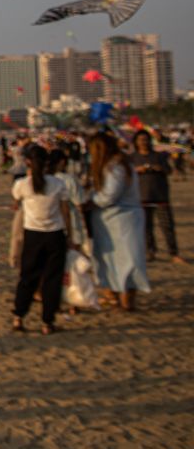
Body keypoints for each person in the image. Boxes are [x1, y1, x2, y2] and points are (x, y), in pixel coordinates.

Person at [10, 145, 72, 335]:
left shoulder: (22, 184)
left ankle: (18, 316)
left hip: (33, 233)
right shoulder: (58, 184)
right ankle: (47, 321)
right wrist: (70, 234)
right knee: (52, 280)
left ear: (28, 162)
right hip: (54, 233)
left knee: (28, 277)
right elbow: (65, 212)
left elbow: (16, 203)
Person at [87, 133, 150, 311]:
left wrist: (91, 200)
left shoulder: (116, 167)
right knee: (112, 258)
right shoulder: (120, 164)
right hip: (112, 220)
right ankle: (114, 295)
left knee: (128, 260)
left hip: (121, 218)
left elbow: (110, 195)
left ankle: (126, 298)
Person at [133, 130, 182, 264]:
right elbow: (127, 175)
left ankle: (174, 253)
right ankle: (151, 252)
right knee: (146, 227)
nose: (143, 142)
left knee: (167, 226)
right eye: (140, 140)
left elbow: (169, 171)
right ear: (136, 142)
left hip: (160, 195)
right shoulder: (133, 157)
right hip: (142, 197)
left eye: (146, 139)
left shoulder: (158, 156)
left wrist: (159, 168)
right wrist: (137, 170)